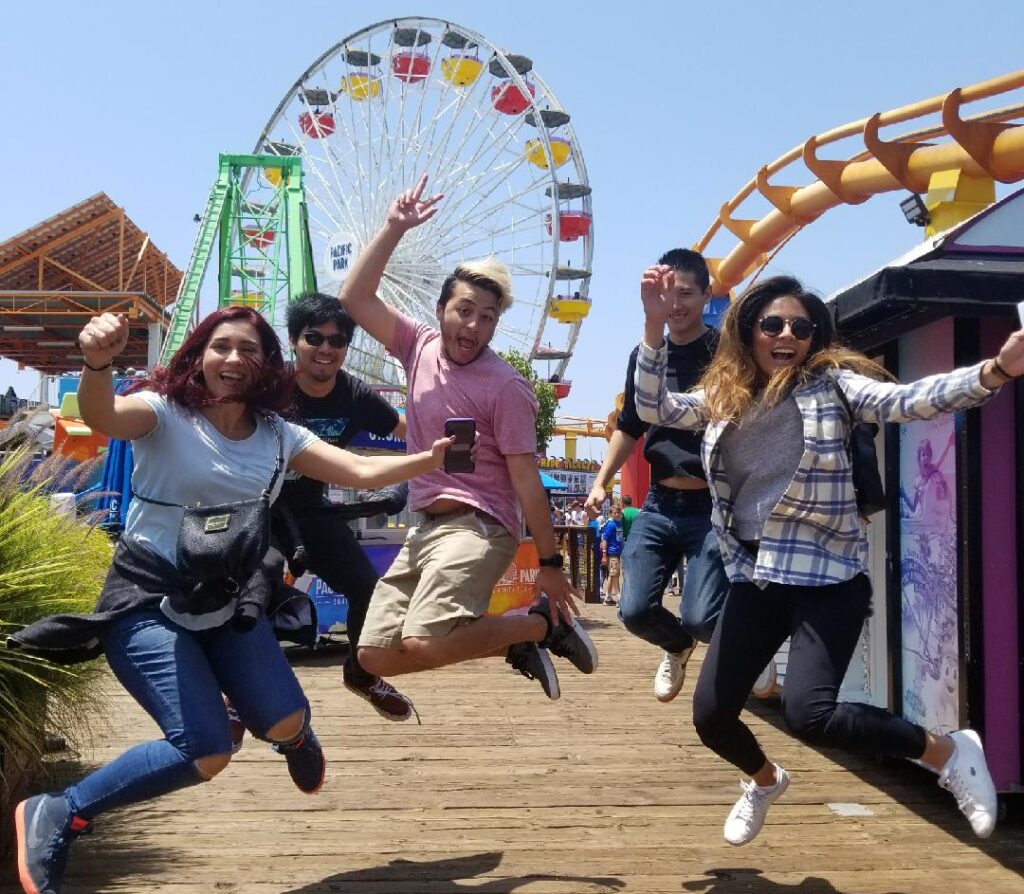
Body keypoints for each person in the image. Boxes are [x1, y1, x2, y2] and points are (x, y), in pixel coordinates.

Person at [9, 306, 454, 894]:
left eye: (250, 351)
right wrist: (97, 363)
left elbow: (354, 469)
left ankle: (293, 736)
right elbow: (103, 415)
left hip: (225, 600)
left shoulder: (278, 434)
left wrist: (427, 461)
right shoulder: (163, 414)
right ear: (199, 353)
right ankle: (60, 810)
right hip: (148, 599)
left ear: (268, 366)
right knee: (206, 748)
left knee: (287, 716)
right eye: (222, 346)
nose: (235, 359)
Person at [634, 271, 1016, 845]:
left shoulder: (834, 385)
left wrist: (996, 371)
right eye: (773, 324)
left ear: (814, 336)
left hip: (827, 577)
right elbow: (652, 406)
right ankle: (764, 781)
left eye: (801, 326)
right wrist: (653, 325)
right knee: (711, 717)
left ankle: (949, 752)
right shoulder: (725, 397)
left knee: (810, 715)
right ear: (748, 330)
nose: (786, 334)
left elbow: (908, 400)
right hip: (756, 576)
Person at [338, 174, 597, 701]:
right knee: (373, 654)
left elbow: (526, 479)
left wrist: (548, 565)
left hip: (480, 526)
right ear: (440, 310)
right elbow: (355, 298)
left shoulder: (506, 388)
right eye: (464, 311)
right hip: (424, 527)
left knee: (425, 638)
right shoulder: (418, 346)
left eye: (487, 317)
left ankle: (540, 626)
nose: (474, 326)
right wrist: (393, 228)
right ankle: (521, 642)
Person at [586, 249, 731, 704]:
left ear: (708, 294)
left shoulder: (728, 352)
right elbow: (631, 425)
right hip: (659, 504)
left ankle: (746, 645)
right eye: (667, 294)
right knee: (633, 611)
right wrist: (601, 480)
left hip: (713, 506)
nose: (676, 304)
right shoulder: (645, 356)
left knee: (702, 616)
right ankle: (677, 647)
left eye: (686, 292)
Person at [272, 292, 415, 721]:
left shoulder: (354, 393)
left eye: (337, 341)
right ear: (295, 341)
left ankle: (361, 673)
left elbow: (410, 431)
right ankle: (241, 699)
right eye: (314, 338)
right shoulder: (270, 388)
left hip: (311, 510)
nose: (325, 349)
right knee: (253, 596)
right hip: (259, 510)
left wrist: (471, 439)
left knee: (369, 592)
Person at [600, 503, 624, 605]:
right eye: (615, 512)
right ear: (611, 514)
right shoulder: (610, 524)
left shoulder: (619, 523)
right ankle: (619, 596)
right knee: (614, 574)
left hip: (618, 552)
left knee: (613, 574)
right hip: (612, 552)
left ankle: (608, 597)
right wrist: (604, 555)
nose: (617, 514)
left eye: (619, 512)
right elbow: (605, 539)